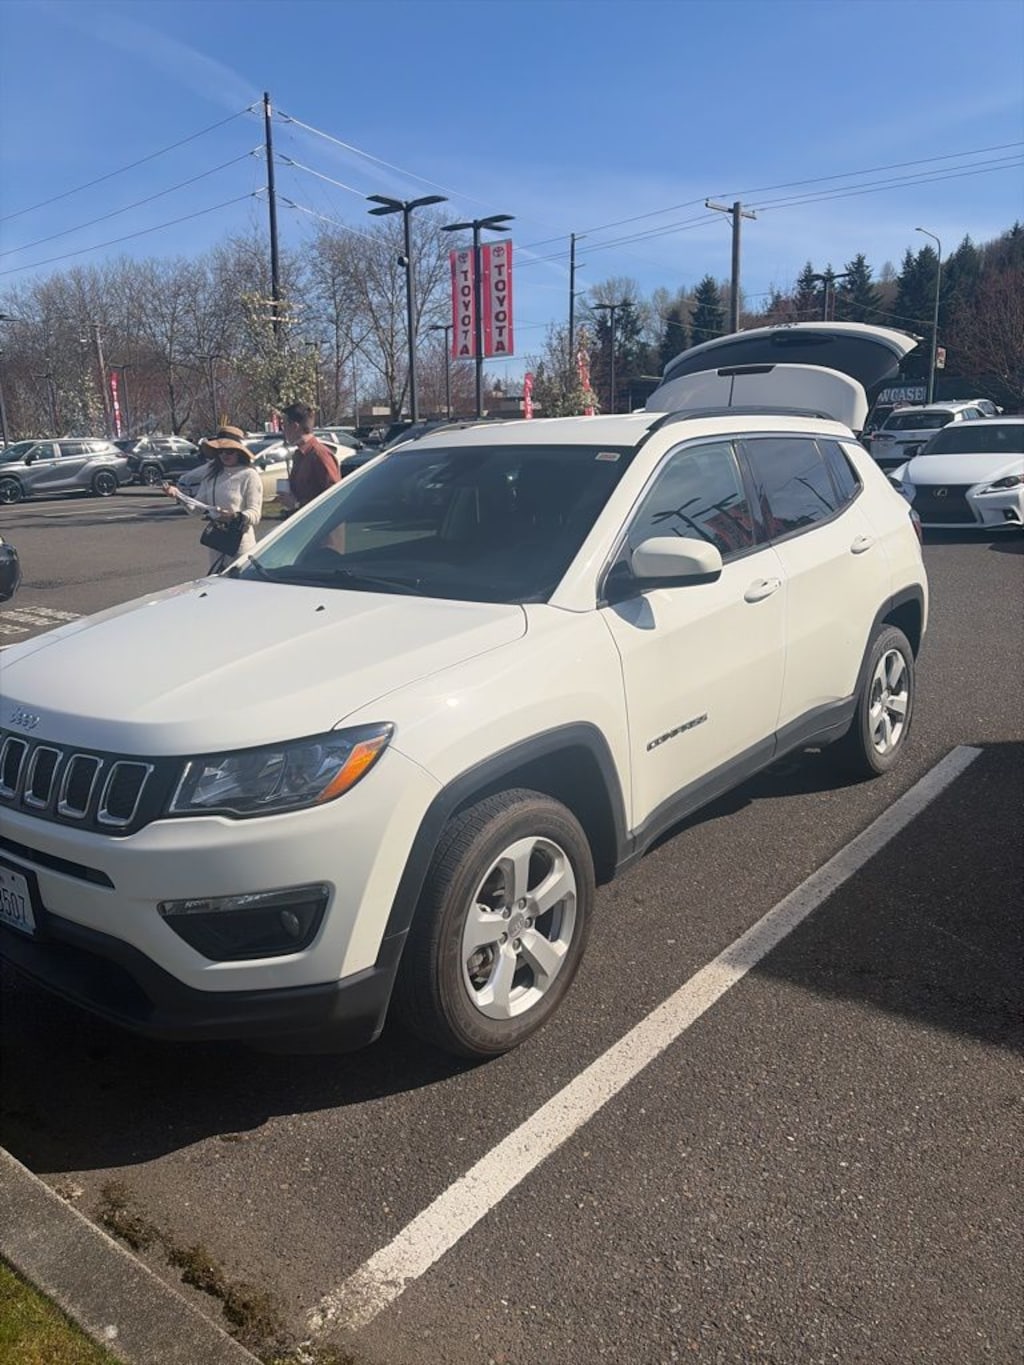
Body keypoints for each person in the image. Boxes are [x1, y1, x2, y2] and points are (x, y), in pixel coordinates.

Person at [162, 423, 263, 571]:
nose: (225, 455)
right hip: (217, 543)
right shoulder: (212, 475)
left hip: (240, 544)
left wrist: (235, 516)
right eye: (221, 451)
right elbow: (196, 508)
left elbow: (255, 514)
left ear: (238, 452)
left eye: (230, 451)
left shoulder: (249, 475)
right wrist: (178, 495)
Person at [281, 402, 340, 509]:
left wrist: (297, 505)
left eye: (284, 426)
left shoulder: (320, 454)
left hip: (321, 524)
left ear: (295, 427)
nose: (283, 431)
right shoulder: (299, 454)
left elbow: (334, 496)